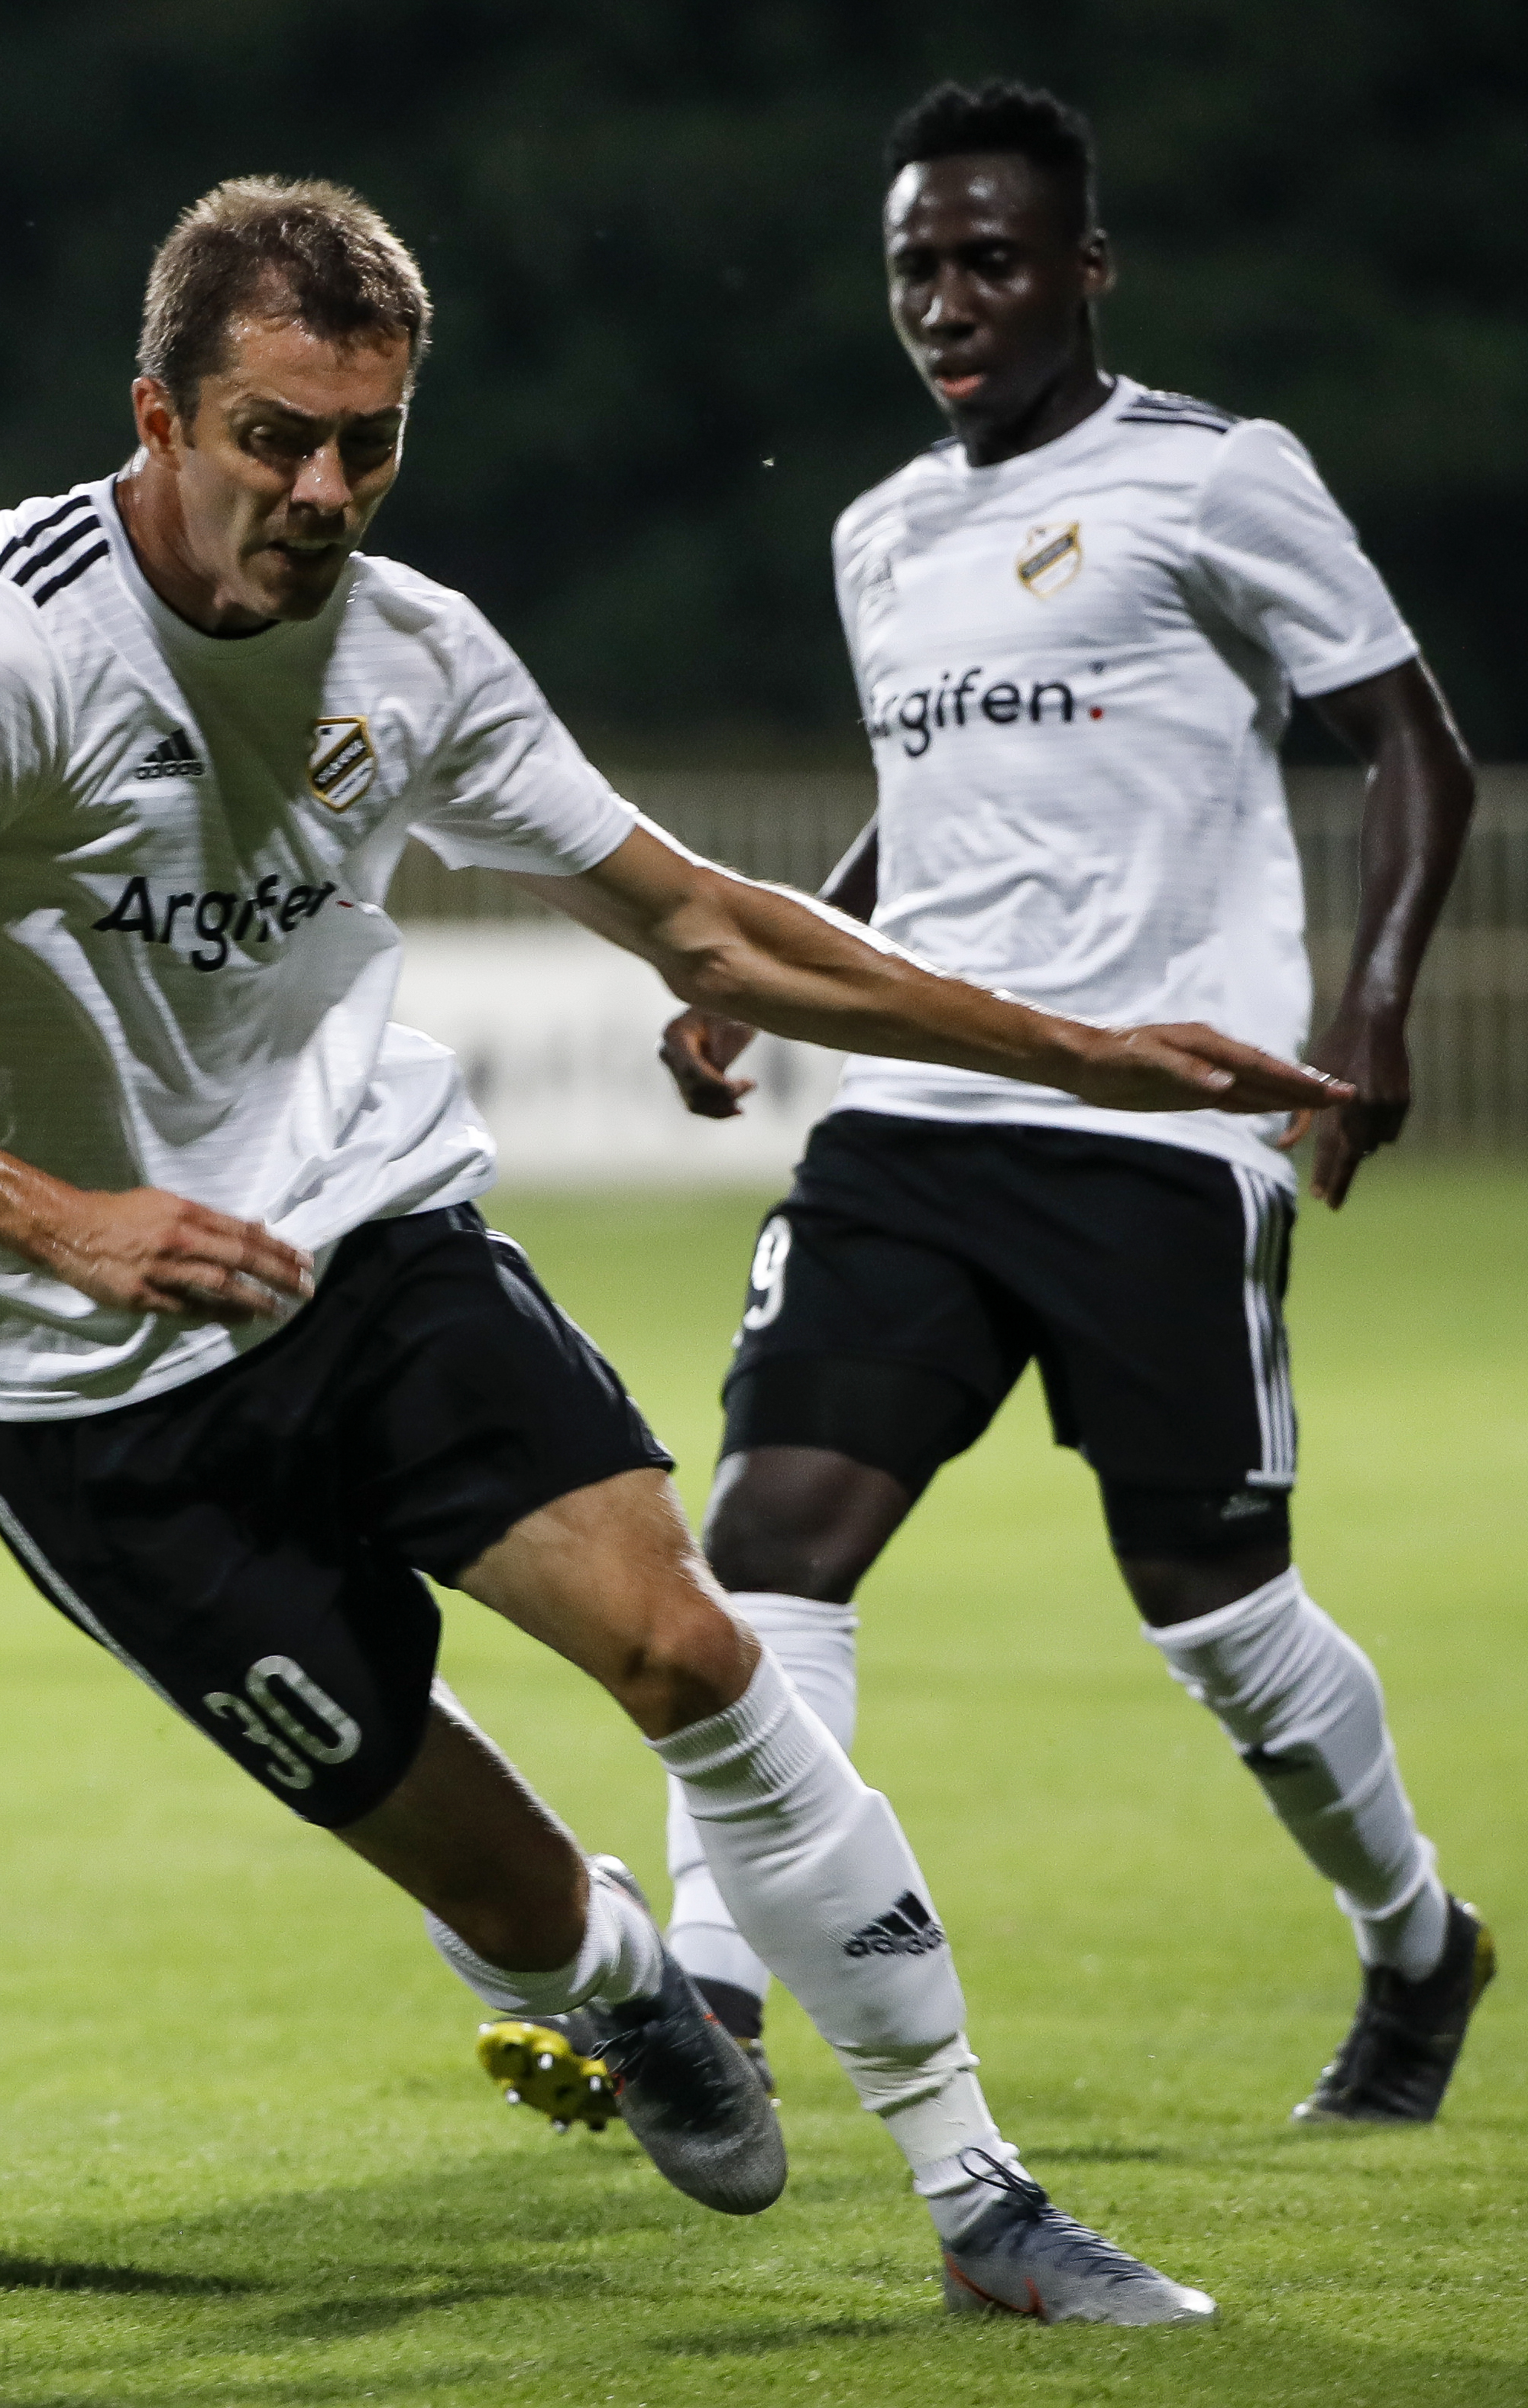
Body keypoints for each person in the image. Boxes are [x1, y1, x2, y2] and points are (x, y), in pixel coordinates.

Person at [0, 177, 1342, 2322]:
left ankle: (981, 2190)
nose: (319, 489)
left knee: (686, 1643)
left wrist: (1085, 1047)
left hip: (361, 1238)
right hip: (66, 1372)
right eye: (272, 434)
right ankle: (622, 1978)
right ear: (157, 414)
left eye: (366, 439)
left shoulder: (418, 650)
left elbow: (710, 921)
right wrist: (59, 1213)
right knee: (480, 1866)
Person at [647, 81, 1491, 2133]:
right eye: (917, 265)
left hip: (1155, 1127)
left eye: (990, 258)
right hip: (915, 1120)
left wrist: (1368, 1013)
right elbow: (925, 815)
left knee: (1213, 1609)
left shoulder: (1215, 477)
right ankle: (708, 1996)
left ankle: (1414, 1936)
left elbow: (1414, 743)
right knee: (764, 1538)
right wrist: (761, 971)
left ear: (1084, 271)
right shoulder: (879, 528)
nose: (947, 298)